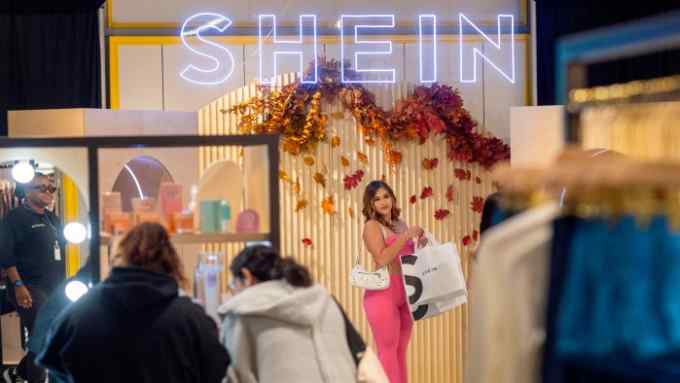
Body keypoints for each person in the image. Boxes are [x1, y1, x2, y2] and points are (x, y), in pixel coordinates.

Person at [36, 223, 229, 383]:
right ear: (170, 262)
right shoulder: (190, 317)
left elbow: (54, 363)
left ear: (117, 258)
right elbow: (217, 370)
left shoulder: (79, 313)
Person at [218, 245, 357, 383]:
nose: (233, 292)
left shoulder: (242, 312)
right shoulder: (326, 302)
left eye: (233, 285)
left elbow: (237, 377)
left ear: (246, 276)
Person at [0, 173, 65, 383]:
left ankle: (19, 373)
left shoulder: (51, 218)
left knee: (52, 335)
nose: (48, 192)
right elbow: (5, 253)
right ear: (28, 191)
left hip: (54, 287)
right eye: (42, 187)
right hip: (28, 286)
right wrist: (18, 284)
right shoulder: (15, 217)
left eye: (51, 188)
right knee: (42, 335)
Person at [362, 180, 424, 383]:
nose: (382, 202)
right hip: (383, 293)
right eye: (376, 199)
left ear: (393, 198)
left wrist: (419, 244)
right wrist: (405, 236)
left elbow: (407, 258)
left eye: (385, 196)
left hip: (406, 291)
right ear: (371, 204)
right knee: (387, 351)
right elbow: (382, 258)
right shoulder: (372, 226)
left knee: (400, 352)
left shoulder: (400, 224)